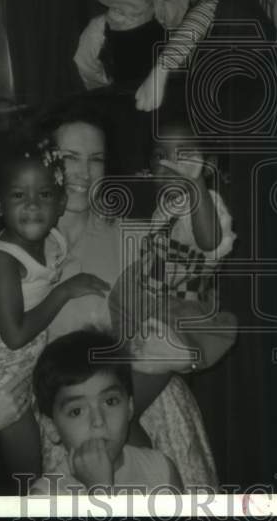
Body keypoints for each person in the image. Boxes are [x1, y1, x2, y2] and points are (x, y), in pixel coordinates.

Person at [41, 109, 220, 489]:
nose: (83, 173)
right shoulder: (18, 257)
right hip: (71, 425)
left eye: (96, 159)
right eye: (69, 158)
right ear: (46, 161)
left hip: (155, 414)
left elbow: (193, 322)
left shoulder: (140, 237)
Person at [0, 136, 111, 477]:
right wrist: (65, 292)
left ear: (59, 204)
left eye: (43, 195)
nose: (31, 205)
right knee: (29, 474)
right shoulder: (2, 260)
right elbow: (14, 335)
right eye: (18, 196)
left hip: (27, 368)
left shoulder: (52, 240)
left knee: (49, 457)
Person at [108, 118, 238, 375]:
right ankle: (130, 347)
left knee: (174, 322)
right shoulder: (164, 209)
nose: (169, 164)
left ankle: (174, 352)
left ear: (208, 166)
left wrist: (196, 185)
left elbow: (209, 240)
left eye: (183, 155)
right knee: (120, 298)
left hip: (183, 298)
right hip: (154, 288)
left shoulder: (208, 204)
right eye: (159, 155)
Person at [29, 331, 182, 494]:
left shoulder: (161, 470)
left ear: (129, 407)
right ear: (52, 427)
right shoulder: (47, 496)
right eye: (76, 411)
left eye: (110, 402)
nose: (98, 420)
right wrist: (99, 489)